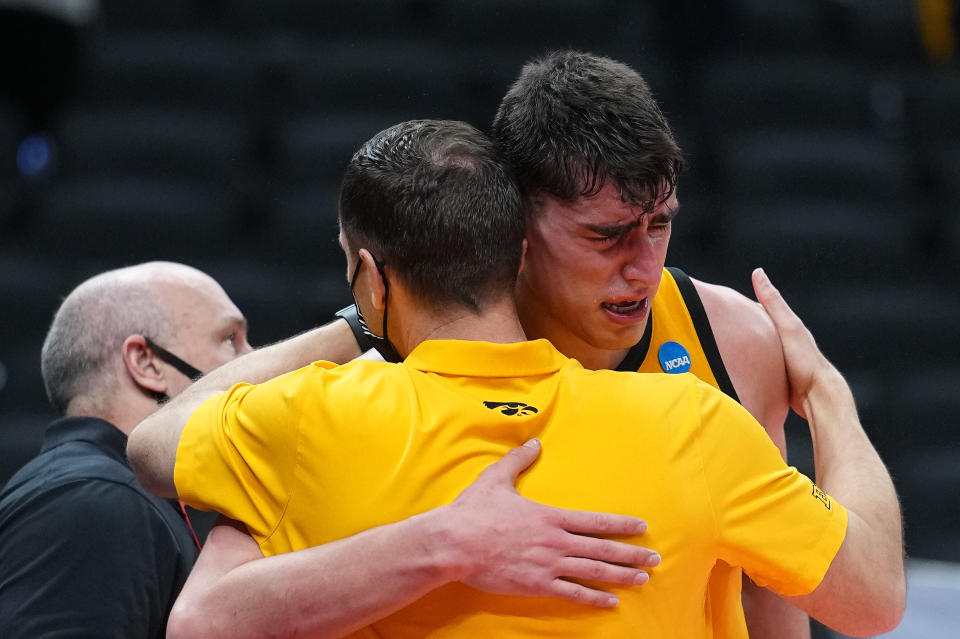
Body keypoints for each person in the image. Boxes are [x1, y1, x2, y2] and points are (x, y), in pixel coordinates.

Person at [128, 120, 904, 638]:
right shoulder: (696, 423)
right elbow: (873, 598)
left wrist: (360, 321)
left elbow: (151, 447)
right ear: (521, 251)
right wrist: (829, 396)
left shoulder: (301, 420)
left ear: (370, 274)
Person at [0, 261, 252, 638]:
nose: (255, 358)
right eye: (230, 339)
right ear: (147, 363)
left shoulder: (117, 494)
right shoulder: (97, 501)